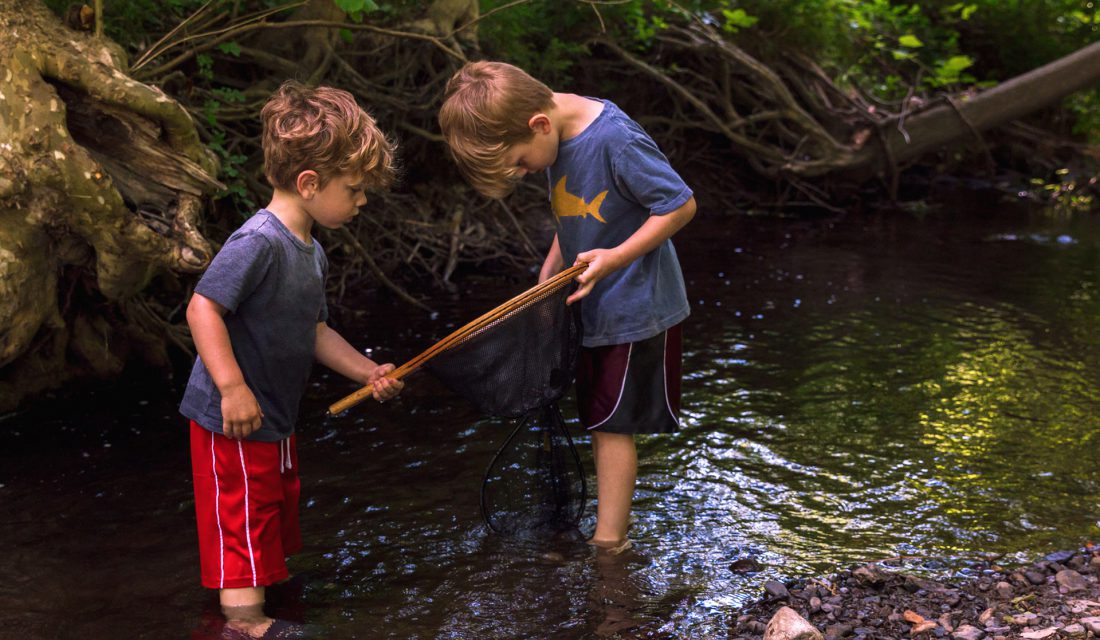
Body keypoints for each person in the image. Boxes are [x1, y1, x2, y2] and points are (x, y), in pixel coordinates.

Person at [438, 61, 695, 555]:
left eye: (519, 163)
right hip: (590, 305)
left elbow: (680, 205)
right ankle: (609, 537)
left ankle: (609, 546)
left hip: (636, 308)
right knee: (598, 419)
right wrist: (548, 275)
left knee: (612, 426)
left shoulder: (615, 139)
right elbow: (573, 211)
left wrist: (615, 256)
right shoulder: (553, 133)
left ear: (537, 124)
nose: (522, 172)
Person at [180, 80, 403, 639]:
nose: (362, 201)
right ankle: (245, 623)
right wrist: (232, 388)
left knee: (273, 509)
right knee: (244, 516)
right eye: (353, 190)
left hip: (272, 417)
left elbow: (315, 331)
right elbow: (202, 308)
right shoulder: (258, 241)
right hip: (231, 417)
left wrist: (366, 371)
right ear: (309, 183)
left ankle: (264, 598)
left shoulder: (311, 250)